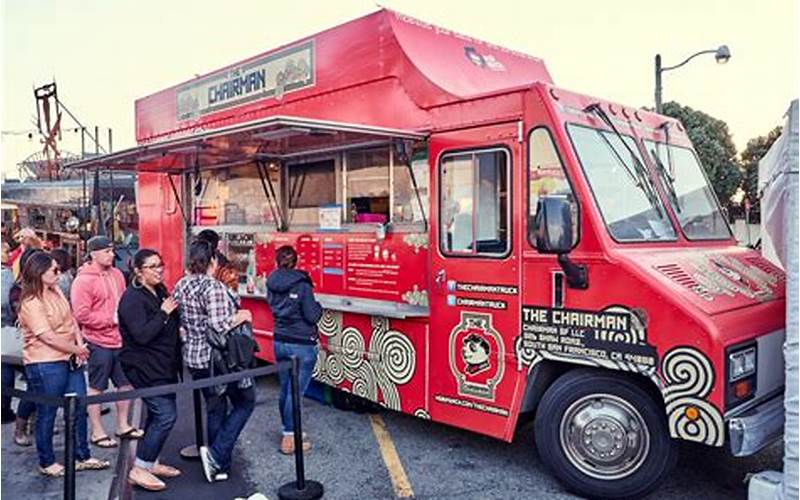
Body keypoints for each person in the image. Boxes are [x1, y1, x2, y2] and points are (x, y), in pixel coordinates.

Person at [17, 251, 110, 476]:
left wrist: (78, 346)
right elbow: (46, 336)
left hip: (69, 360)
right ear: (39, 273)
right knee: (47, 413)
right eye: (54, 271)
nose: (59, 274)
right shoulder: (31, 302)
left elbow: (71, 320)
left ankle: (82, 455)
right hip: (45, 363)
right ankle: (46, 461)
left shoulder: (56, 290)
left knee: (78, 408)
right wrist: (77, 349)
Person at [173, 240, 254, 482]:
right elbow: (219, 325)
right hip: (218, 360)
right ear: (212, 262)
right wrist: (242, 315)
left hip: (195, 358)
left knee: (215, 408)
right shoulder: (213, 288)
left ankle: (220, 467)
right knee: (245, 402)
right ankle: (217, 456)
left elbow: (181, 320)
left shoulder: (181, 285)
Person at [118, 249, 182, 491]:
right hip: (145, 367)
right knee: (166, 415)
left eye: (160, 265)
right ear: (138, 271)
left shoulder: (159, 290)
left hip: (164, 364)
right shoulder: (132, 298)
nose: (159, 270)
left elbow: (170, 321)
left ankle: (149, 461)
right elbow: (142, 335)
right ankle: (140, 468)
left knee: (158, 415)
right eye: (152, 266)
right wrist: (164, 313)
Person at [71, 235, 142, 448]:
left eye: (112, 251)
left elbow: (123, 302)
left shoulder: (118, 275)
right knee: (96, 387)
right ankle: (97, 430)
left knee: (126, 384)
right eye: (107, 251)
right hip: (97, 342)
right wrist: (109, 320)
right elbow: (81, 315)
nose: (112, 255)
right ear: (93, 254)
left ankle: (122, 425)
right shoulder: (83, 281)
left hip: (120, 340)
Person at [266, 245, 322, 455]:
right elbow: (312, 315)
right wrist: (319, 307)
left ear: (277, 261)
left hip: (280, 341)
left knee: (285, 389)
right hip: (301, 344)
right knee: (295, 392)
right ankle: (290, 438)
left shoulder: (271, 282)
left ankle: (288, 429)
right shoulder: (302, 285)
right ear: (295, 261)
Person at [1, 245, 38, 446]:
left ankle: (18, 417)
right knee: (34, 383)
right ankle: (21, 425)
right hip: (20, 339)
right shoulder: (14, 286)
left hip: (10, 338)